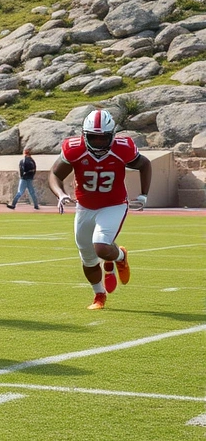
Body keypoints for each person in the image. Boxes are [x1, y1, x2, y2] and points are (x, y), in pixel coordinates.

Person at [48, 109, 152, 310]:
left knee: (102, 246)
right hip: (85, 206)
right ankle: (99, 294)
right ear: (84, 135)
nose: (97, 143)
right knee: (87, 257)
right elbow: (54, 174)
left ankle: (120, 257)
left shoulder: (123, 148)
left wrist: (143, 194)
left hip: (114, 204)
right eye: (93, 138)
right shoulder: (74, 148)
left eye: (102, 138)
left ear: (112, 136)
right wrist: (60, 194)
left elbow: (145, 164)